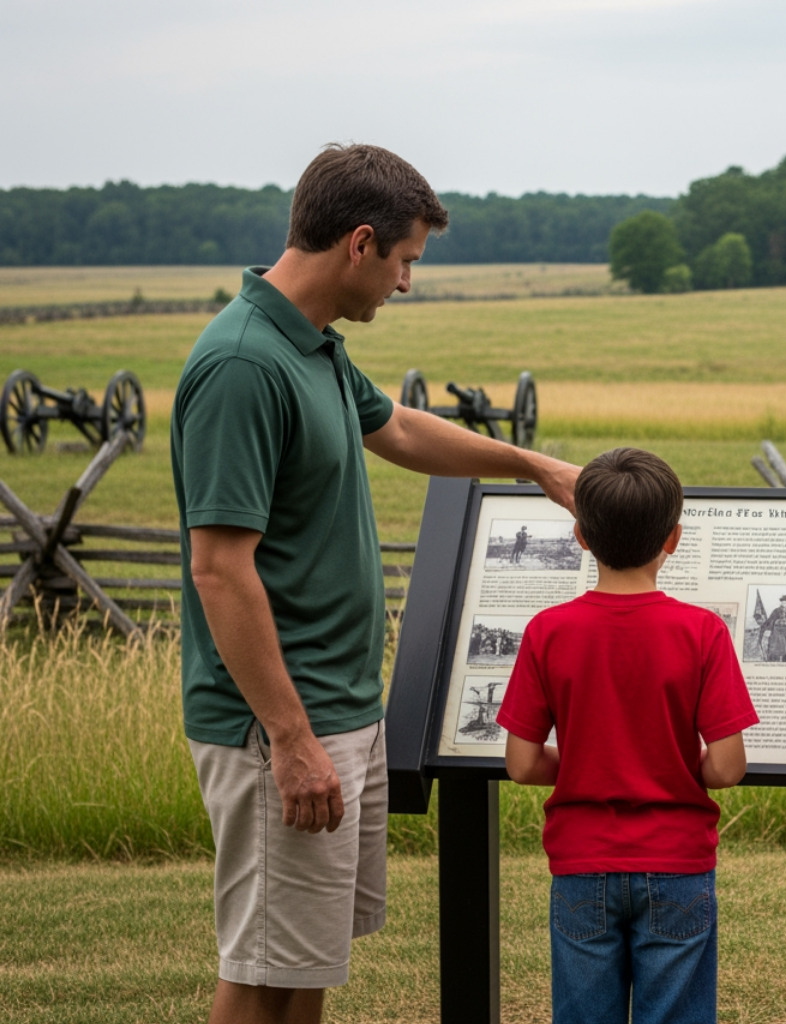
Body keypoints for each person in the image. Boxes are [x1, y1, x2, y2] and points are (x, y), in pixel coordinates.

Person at [172, 143, 580, 1024]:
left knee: (303, 960)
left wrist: (531, 466)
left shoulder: (310, 347)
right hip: (282, 720)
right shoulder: (244, 365)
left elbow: (396, 429)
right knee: (260, 967)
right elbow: (219, 568)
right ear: (360, 243)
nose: (405, 283)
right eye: (405, 262)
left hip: (334, 710)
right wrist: (290, 738)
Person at [499, 447, 759, 1024]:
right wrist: (671, 763)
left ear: (581, 537)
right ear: (673, 538)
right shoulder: (703, 632)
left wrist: (588, 762)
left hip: (580, 863)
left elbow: (520, 763)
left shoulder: (548, 631)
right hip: (678, 862)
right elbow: (727, 767)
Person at [759, 594, 786, 661]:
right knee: (775, 649)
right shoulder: (776, 611)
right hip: (777, 632)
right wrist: (765, 626)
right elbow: (771, 620)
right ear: (781, 602)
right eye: (783, 602)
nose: (785, 603)